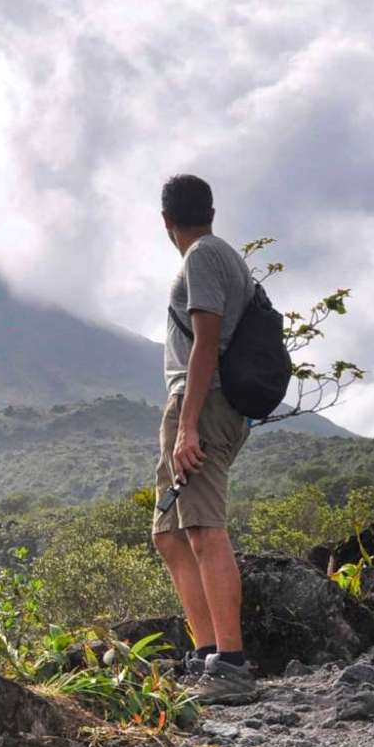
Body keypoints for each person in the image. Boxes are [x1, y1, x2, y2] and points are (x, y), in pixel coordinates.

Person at [151, 174, 257, 704]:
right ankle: (206, 653)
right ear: (211, 209)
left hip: (204, 404)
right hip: (200, 404)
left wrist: (188, 423)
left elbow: (207, 342)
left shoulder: (203, 257)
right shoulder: (222, 254)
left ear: (166, 221)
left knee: (203, 529)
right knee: (170, 533)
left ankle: (231, 664)